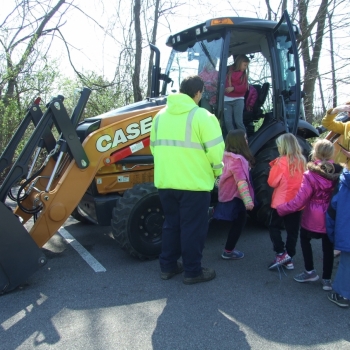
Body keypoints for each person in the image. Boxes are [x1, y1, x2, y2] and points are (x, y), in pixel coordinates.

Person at [150, 75, 225, 285]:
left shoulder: (159, 117)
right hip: (194, 184)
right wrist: (217, 173)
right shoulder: (203, 116)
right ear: (199, 93)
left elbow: (154, 149)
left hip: (166, 183)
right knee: (193, 228)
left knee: (171, 225)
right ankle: (193, 271)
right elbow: (216, 153)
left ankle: (168, 266)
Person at [277, 139, 342, 290]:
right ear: (333, 153)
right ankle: (326, 280)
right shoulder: (340, 173)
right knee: (328, 247)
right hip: (331, 216)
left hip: (312, 216)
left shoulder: (310, 174)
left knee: (305, 240)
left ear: (315, 153)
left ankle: (310, 271)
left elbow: (300, 200)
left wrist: (282, 209)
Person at [213, 129, 255, 259]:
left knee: (234, 220)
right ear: (240, 142)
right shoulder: (238, 160)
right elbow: (241, 182)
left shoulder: (225, 156)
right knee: (239, 222)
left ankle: (229, 249)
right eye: (245, 138)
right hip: (236, 196)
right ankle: (228, 251)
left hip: (226, 193)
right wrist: (248, 201)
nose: (247, 141)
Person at [267, 133, 306, 270]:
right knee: (293, 231)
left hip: (281, 203)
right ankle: (289, 257)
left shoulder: (280, 162)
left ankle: (280, 253)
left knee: (274, 227)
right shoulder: (302, 161)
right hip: (297, 203)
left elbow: (272, 182)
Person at [321, 102, 350, 259]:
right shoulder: (347, 127)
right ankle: (339, 244)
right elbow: (327, 123)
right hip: (343, 173)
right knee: (336, 209)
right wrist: (336, 110)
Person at [326, 166, 350, 308]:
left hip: (347, 234)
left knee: (347, 264)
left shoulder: (344, 183)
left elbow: (331, 212)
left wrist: (333, 237)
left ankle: (342, 295)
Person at [223, 54, 251, 133]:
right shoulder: (228, 71)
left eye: (247, 66)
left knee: (238, 121)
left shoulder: (244, 75)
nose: (245, 67)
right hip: (226, 100)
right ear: (239, 63)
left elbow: (244, 88)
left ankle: (244, 141)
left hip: (238, 100)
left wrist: (233, 88)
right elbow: (224, 84)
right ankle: (233, 140)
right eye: (244, 65)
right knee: (228, 122)